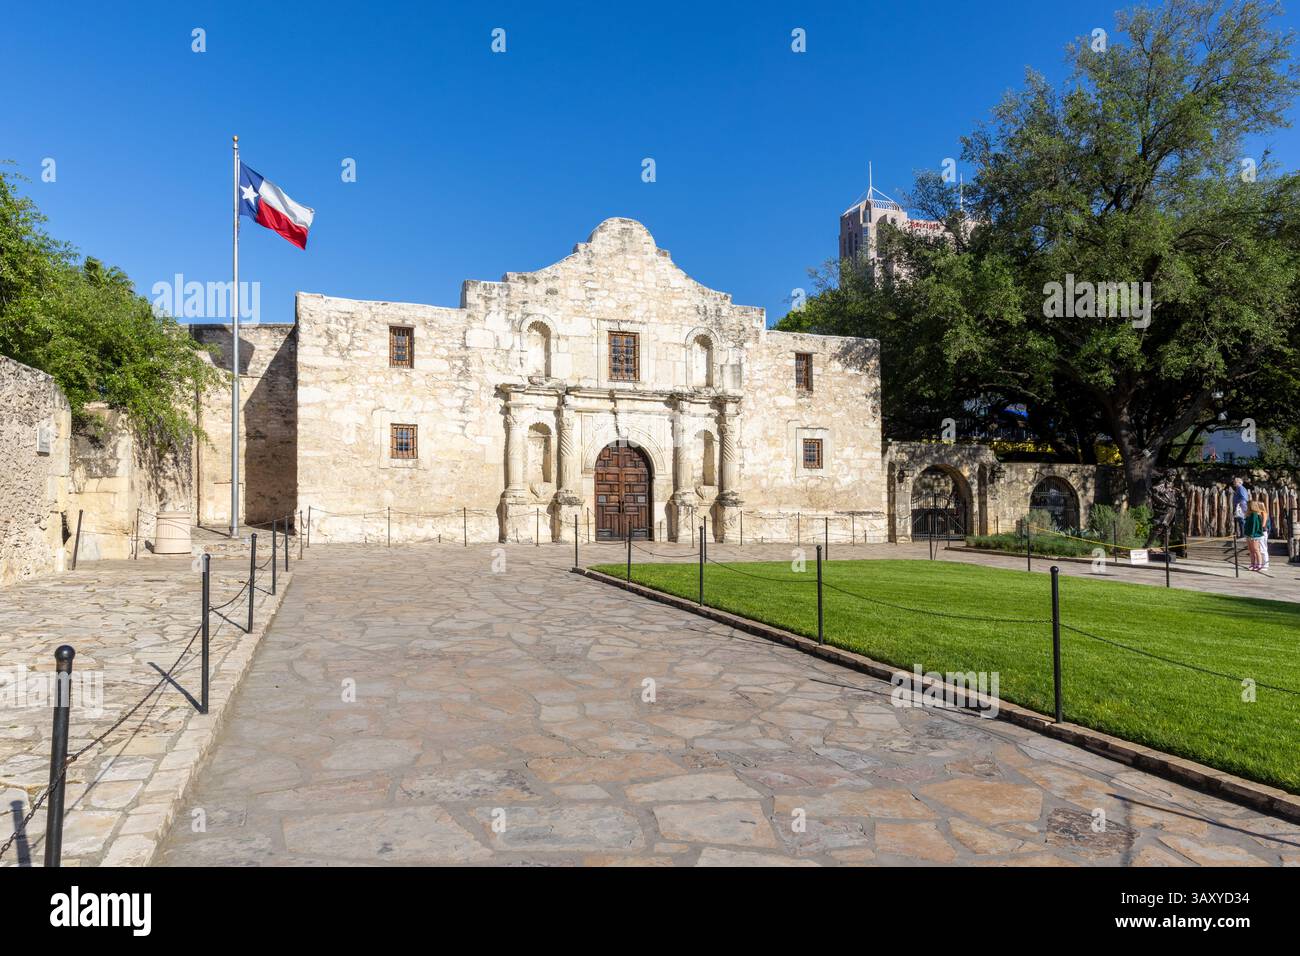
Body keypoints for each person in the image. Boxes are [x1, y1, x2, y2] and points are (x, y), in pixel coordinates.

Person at [1245, 500, 1267, 571]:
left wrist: (1252, 534)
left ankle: (1259, 564)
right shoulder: (1249, 514)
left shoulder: (1255, 514)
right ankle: (1252, 564)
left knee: (1256, 550)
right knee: (1251, 550)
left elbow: (1255, 525)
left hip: (1254, 535)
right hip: (1248, 534)